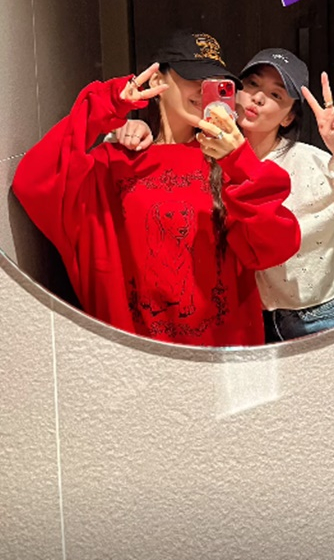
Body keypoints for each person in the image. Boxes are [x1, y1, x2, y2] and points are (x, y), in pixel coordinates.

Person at [12, 33, 300, 347]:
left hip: (220, 360)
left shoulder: (229, 165)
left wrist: (238, 160)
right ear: (157, 79)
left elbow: (275, 247)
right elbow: (34, 181)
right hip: (134, 358)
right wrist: (110, 104)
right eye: (193, 77)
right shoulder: (115, 162)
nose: (203, 90)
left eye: (213, 82)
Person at [115, 47, 334, 342]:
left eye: (276, 95)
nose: (258, 98)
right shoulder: (207, 154)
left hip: (319, 317)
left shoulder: (311, 164)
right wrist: (128, 129)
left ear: (288, 117)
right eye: (252, 84)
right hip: (246, 319)